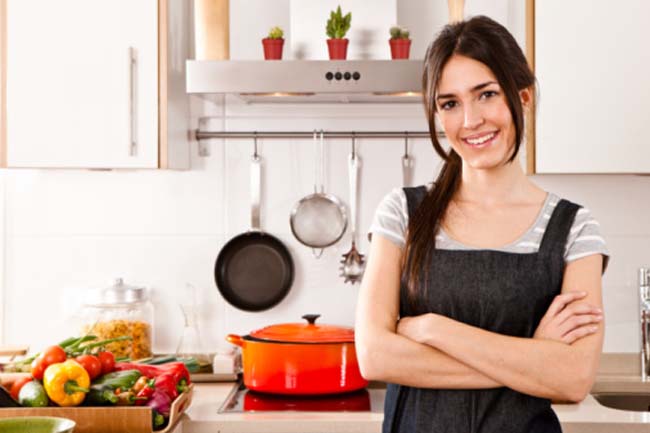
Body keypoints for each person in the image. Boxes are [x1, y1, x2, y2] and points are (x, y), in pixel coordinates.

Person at [355, 15, 609, 433]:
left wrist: (434, 329)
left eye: (486, 94)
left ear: (523, 97)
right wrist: (533, 359)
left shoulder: (575, 229)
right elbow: (375, 356)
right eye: (450, 103)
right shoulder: (402, 214)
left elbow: (573, 378)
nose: (470, 120)